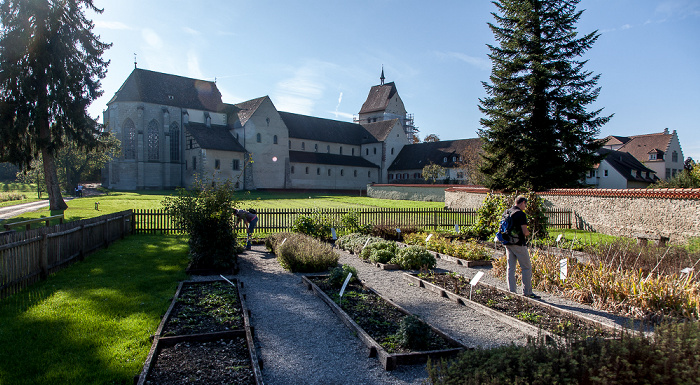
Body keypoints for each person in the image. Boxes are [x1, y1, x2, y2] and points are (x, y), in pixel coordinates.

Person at [504, 195, 539, 299]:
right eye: (525, 204)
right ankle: (527, 291)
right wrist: (529, 233)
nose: (525, 206)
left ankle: (512, 291)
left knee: (510, 267)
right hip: (518, 243)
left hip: (507, 242)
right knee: (526, 267)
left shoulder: (507, 212)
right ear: (522, 202)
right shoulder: (520, 214)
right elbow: (525, 232)